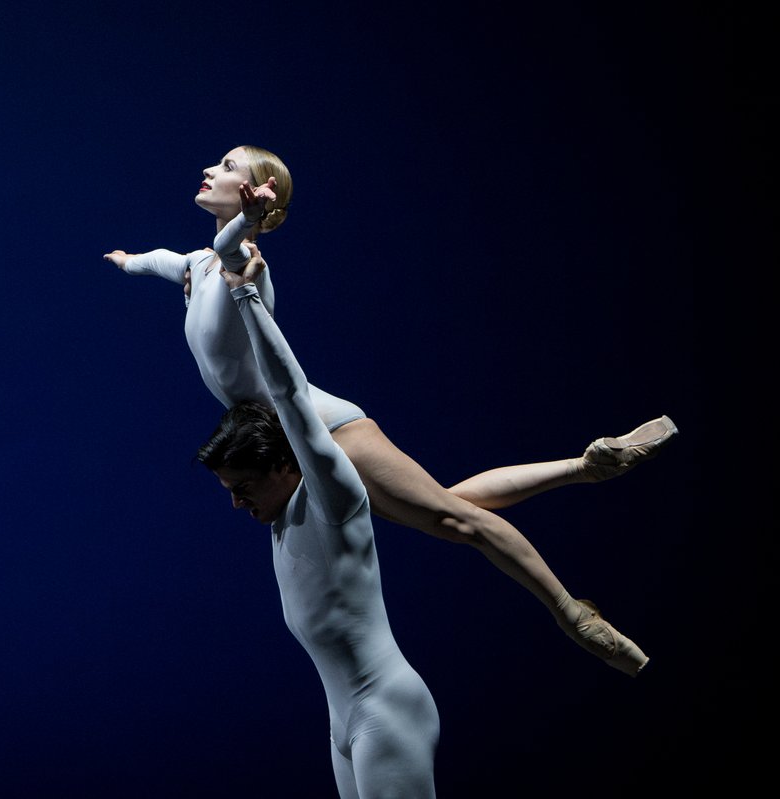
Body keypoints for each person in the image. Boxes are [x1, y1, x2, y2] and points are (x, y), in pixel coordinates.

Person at [105, 145, 677, 675]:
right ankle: (588, 466)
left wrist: (251, 221)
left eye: (229, 166)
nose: (212, 169)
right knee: (448, 509)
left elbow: (233, 244)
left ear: (259, 193)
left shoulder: (241, 259)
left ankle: (572, 614)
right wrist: (129, 262)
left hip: (326, 424)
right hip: (295, 435)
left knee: (457, 521)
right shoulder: (197, 266)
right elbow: (163, 259)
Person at [198, 244, 439, 797]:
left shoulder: (330, 495)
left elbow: (287, 394)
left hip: (386, 710)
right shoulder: (280, 517)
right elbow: (238, 387)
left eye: (244, 489)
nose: (237, 505)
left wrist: (245, 294)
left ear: (287, 464)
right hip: (344, 721)